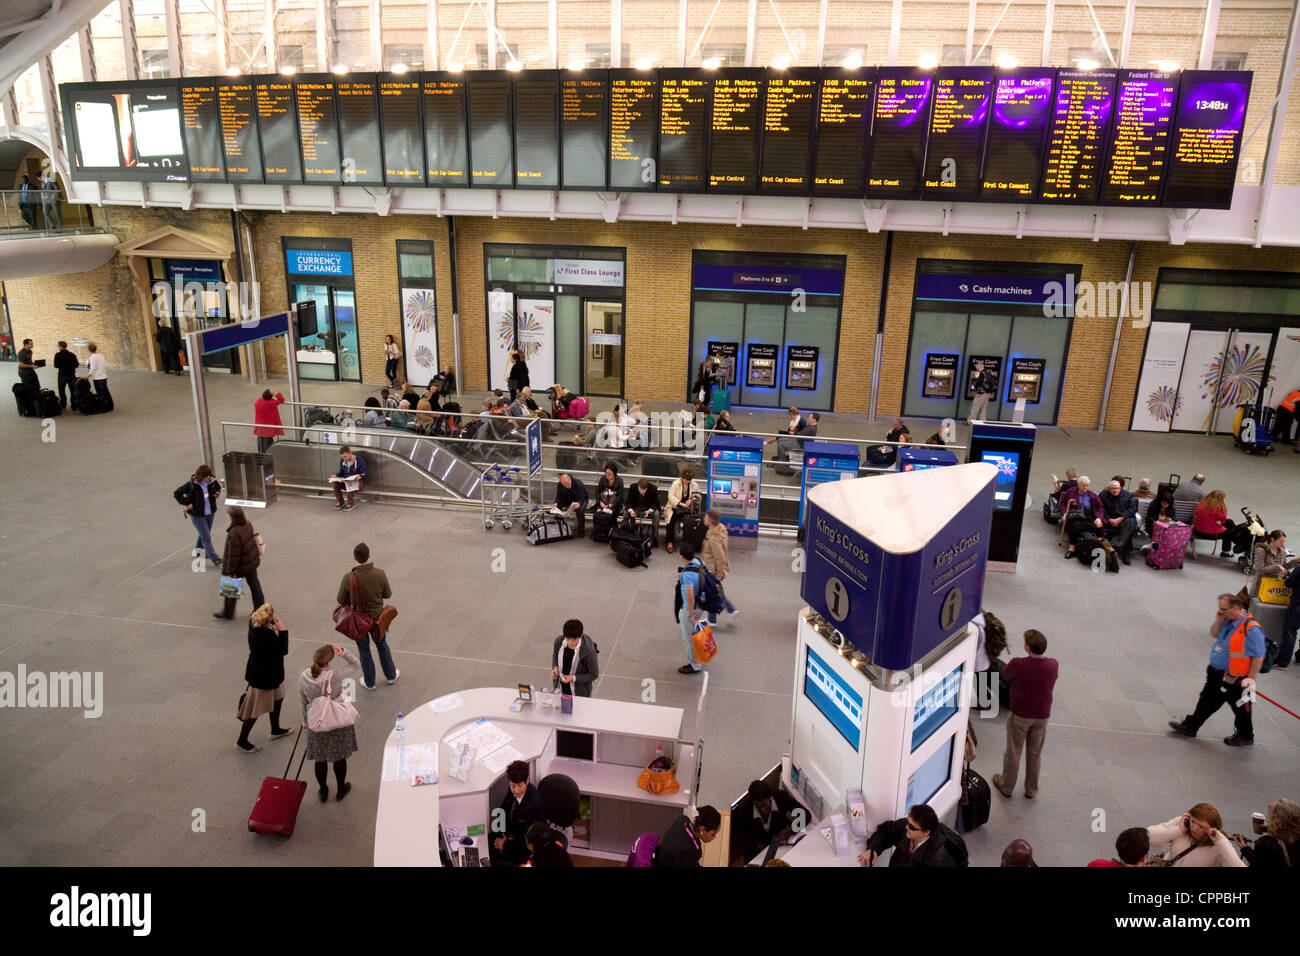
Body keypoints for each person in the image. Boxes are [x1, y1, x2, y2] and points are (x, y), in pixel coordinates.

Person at [1168, 593, 1267, 746]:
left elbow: (1258, 656)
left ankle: (1245, 735)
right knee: (1208, 699)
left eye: (1224, 609)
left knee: (1240, 706)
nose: (1221, 612)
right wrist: (1219, 619)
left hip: (1236, 678)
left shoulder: (1251, 629)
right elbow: (1214, 633)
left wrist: (1250, 678)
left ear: (1235, 608)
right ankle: (1191, 726)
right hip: (1216, 673)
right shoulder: (1228, 621)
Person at [992, 629, 1058, 799]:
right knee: (1035, 753)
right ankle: (1031, 789)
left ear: (1027, 648)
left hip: (1021, 714)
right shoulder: (1053, 665)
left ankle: (1007, 786)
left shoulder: (1018, 664)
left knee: (1014, 751)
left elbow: (1005, 675)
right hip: (1042, 715)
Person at [298, 644, 359, 802]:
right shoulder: (336, 675)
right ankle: (340, 790)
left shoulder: (304, 676)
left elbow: (303, 701)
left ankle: (323, 790)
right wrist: (344, 653)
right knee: (339, 758)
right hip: (336, 720)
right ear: (330, 660)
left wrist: (306, 721)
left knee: (320, 759)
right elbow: (356, 664)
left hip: (316, 722)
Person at [336, 542, 398, 691]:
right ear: (369, 555)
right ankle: (391, 675)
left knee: (364, 649)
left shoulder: (348, 578)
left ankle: (370, 682)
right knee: (381, 644)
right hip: (377, 618)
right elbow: (387, 594)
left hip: (359, 620)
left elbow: (340, 599)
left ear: (354, 557)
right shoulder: (380, 574)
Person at [236, 604, 293, 752]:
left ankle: (275, 729)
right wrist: (282, 631)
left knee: (278, 699)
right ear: (268, 620)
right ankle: (242, 741)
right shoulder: (265, 636)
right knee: (254, 711)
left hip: (270, 676)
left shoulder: (255, 628)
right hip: (264, 679)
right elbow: (283, 650)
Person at [859, 804, 959, 867]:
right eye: (908, 822)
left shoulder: (939, 859)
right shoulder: (910, 829)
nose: (907, 827)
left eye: (912, 827)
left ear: (926, 832)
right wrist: (873, 849)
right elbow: (887, 832)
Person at [1145, 804, 1245, 867]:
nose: (1194, 828)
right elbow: (1149, 837)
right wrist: (1178, 830)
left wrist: (1221, 841)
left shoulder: (1219, 846)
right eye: (1193, 821)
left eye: (1201, 826)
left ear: (1213, 829)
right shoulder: (1183, 824)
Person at [491, 760, 547, 866]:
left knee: (499, 863)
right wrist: (500, 835)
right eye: (513, 786)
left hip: (523, 847)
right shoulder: (513, 788)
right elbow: (502, 812)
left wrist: (506, 845)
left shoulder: (535, 805)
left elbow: (530, 841)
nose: (516, 791)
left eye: (520, 786)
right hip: (509, 836)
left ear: (527, 780)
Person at [215, 505, 265, 620]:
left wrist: (230, 570)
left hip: (241, 565)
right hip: (251, 562)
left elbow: (234, 554)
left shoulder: (234, 532)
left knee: (231, 587)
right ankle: (260, 609)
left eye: (228, 514)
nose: (227, 516)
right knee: (255, 586)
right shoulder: (247, 524)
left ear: (233, 517)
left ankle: (228, 612)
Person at [1231, 799, 1300, 868]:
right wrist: (1271, 829)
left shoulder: (1266, 844)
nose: (1268, 806)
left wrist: (1245, 848)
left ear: (1276, 820)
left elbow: (1257, 864)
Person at [700, 509, 739, 625]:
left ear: (710, 521)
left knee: (712, 594)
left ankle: (714, 619)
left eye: (705, 518)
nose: (704, 519)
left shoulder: (713, 538)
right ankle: (729, 611)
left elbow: (719, 558)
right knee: (715, 592)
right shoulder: (720, 529)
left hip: (713, 570)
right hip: (713, 568)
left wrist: (717, 575)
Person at [740, 780, 796, 861]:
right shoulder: (745, 808)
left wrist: (790, 829)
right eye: (758, 806)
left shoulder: (781, 797)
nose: (763, 810)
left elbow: (804, 815)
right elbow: (744, 836)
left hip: (782, 844)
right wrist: (756, 845)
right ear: (753, 802)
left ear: (771, 798)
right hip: (757, 851)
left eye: (765, 805)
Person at [179, 464, 222, 565]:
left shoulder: (211, 481)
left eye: (209, 476)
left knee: (203, 533)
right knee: (206, 537)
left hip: (210, 513)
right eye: (206, 477)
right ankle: (214, 558)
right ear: (201, 476)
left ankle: (198, 550)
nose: (208, 478)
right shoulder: (191, 485)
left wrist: (217, 493)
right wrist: (187, 503)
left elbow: (218, 488)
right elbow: (177, 493)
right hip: (197, 515)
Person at [675, 545, 707, 675]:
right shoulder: (699, 562)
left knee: (689, 637)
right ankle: (697, 660)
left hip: (692, 608)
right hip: (702, 602)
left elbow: (690, 596)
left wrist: (691, 613)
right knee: (692, 634)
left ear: (682, 556)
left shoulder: (687, 575)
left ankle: (695, 665)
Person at [654, 805, 721, 867]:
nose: (714, 838)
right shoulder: (689, 851)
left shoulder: (683, 819)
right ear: (702, 829)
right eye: (713, 834)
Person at [551, 619, 599, 698]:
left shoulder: (589, 652)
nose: (570, 643)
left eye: (573, 640)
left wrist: (573, 678)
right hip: (561, 688)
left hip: (579, 693)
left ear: (580, 636)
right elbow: (555, 655)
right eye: (568, 639)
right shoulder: (559, 641)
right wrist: (555, 667)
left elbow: (594, 674)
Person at [1061, 475, 1105, 558]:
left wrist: (1099, 518)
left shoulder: (1092, 495)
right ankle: (1072, 548)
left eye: (1087, 485)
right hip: (1075, 515)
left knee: (1100, 528)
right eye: (1083, 485)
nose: (1086, 487)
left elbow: (1100, 507)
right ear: (1078, 485)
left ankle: (1095, 547)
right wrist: (1064, 513)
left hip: (1089, 516)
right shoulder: (1071, 491)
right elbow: (1063, 503)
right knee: (1075, 526)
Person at [1098, 477, 1138, 564]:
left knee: (1129, 522)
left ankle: (1121, 544)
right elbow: (1101, 509)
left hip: (1123, 519)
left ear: (1120, 488)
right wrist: (1109, 519)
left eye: (1117, 488)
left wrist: (1121, 518)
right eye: (1112, 489)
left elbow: (1132, 510)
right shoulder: (1103, 495)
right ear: (1109, 489)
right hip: (1110, 519)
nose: (1115, 491)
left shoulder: (1128, 495)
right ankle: (1124, 551)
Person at [663, 468, 699, 554]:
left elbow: (697, 495)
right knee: (671, 521)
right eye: (686, 480)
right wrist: (680, 503)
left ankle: (687, 542)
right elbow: (670, 496)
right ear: (682, 477)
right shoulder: (676, 483)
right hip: (674, 507)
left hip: (687, 508)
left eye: (689, 480)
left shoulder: (694, 484)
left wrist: (691, 500)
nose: (687, 482)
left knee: (689, 521)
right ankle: (669, 542)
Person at [1276, 562, 1300, 670]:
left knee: (1290, 632)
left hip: (1297, 605)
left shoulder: (1299, 569)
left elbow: (1289, 583)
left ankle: (1283, 662)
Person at [624, 477, 661, 543]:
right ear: (638, 486)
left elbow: (656, 504)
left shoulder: (653, 488)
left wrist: (649, 511)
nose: (643, 491)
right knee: (626, 513)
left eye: (645, 490)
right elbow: (627, 502)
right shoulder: (633, 487)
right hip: (636, 508)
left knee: (656, 513)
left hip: (648, 509)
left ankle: (654, 537)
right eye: (641, 489)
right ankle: (626, 535)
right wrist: (631, 511)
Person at [330, 446, 367, 510]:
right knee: (335, 483)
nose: (344, 458)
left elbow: (364, 473)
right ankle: (341, 502)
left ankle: (351, 504)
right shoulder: (342, 461)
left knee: (349, 483)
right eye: (342, 457)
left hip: (358, 483)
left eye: (345, 456)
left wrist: (360, 476)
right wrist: (336, 475)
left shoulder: (359, 460)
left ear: (350, 453)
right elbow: (341, 473)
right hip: (347, 480)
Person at [80, 342, 113, 411]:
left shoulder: (92, 357)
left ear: (89, 350)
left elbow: (93, 368)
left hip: (98, 378)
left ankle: (103, 408)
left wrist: (88, 376)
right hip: (104, 376)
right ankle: (111, 405)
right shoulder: (101, 355)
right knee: (106, 391)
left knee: (100, 393)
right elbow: (104, 364)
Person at [253, 389, 285, 453]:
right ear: (271, 397)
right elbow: (281, 399)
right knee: (268, 443)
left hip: (260, 426)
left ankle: (261, 455)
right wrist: (275, 393)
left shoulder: (258, 401)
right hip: (268, 427)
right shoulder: (271, 403)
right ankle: (268, 456)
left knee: (260, 442)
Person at [16, 338, 41, 414]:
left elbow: (29, 361)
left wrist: (34, 364)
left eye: (32, 343)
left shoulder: (30, 351)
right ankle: (30, 406)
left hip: (30, 371)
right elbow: (20, 364)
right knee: (28, 388)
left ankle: (37, 403)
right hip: (24, 373)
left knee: (36, 386)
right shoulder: (21, 353)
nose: (32, 345)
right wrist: (31, 366)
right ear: (26, 344)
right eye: (30, 344)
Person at [52, 341, 79, 410]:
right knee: (73, 390)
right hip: (71, 375)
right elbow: (77, 364)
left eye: (58, 346)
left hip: (62, 375)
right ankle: (74, 405)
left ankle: (63, 404)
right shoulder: (72, 354)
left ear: (60, 347)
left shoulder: (57, 355)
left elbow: (56, 365)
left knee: (61, 390)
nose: (58, 347)